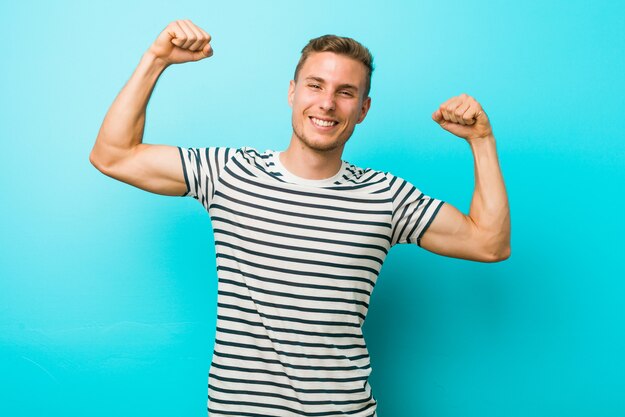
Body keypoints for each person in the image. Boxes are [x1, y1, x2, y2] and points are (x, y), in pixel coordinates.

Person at [90, 19, 510, 417]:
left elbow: (489, 243)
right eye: (315, 85)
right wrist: (155, 59)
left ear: (363, 109)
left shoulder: (386, 196)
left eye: (346, 92)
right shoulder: (229, 173)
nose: (327, 103)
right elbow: (112, 155)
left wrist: (482, 140)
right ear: (293, 92)